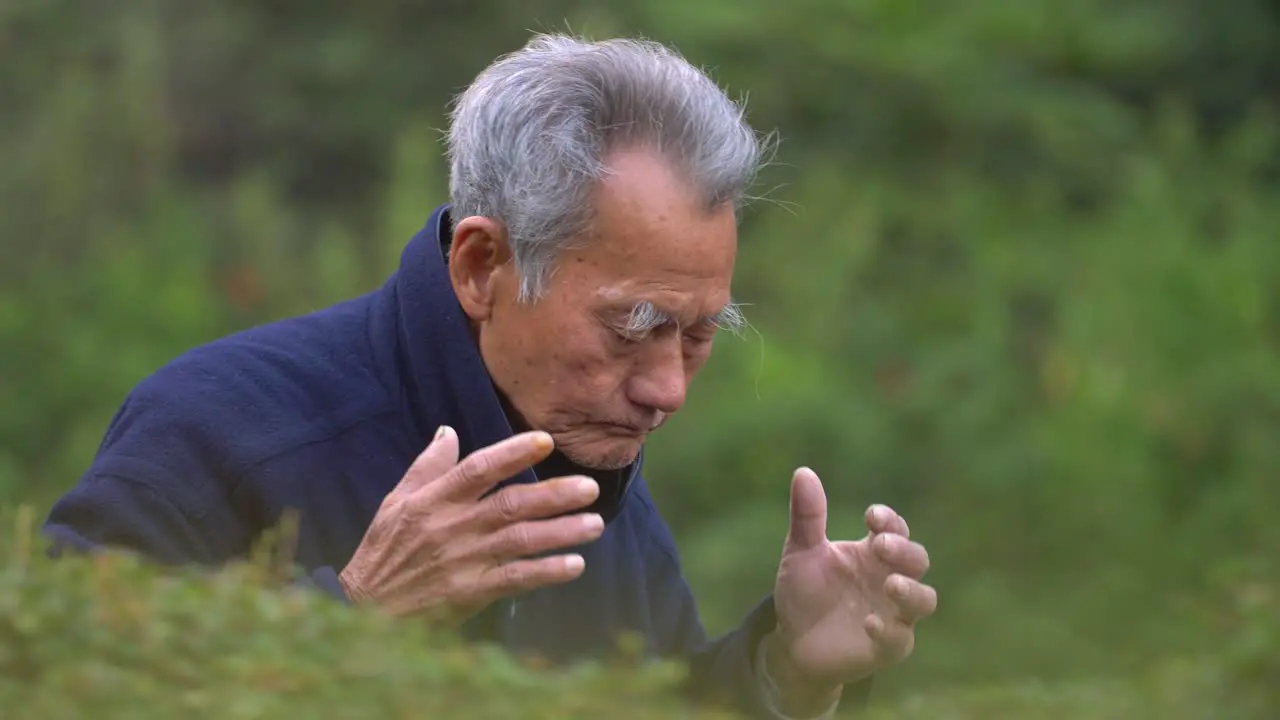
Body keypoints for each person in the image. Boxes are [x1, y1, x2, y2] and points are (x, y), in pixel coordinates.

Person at [42, 33, 937, 719]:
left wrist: (780, 671)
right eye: (633, 329)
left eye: (699, 336)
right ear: (481, 269)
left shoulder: (595, 486)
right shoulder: (213, 431)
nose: (668, 389)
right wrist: (354, 619)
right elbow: (53, 686)